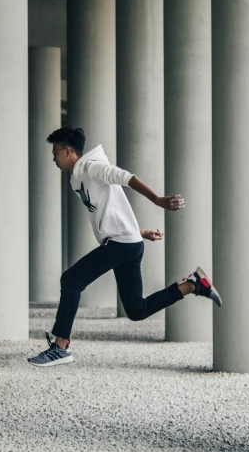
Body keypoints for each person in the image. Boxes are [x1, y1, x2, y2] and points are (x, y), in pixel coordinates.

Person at [28, 126, 222, 368]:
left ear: (68, 151)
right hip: (127, 242)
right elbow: (109, 210)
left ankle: (61, 346)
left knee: (71, 280)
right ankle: (193, 284)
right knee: (136, 310)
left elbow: (126, 177)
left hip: (121, 244)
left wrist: (158, 200)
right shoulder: (77, 176)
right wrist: (138, 232)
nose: (53, 158)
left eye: (55, 152)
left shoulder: (91, 167)